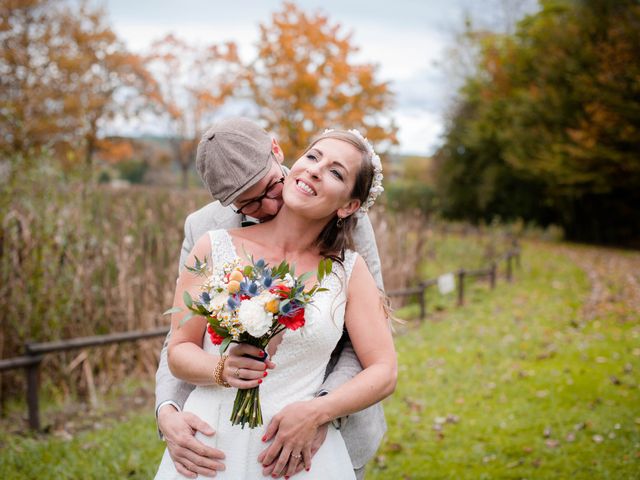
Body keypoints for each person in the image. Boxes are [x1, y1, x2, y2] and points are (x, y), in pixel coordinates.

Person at [155, 118, 388, 479]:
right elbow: (181, 340)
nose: (269, 204)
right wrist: (169, 409)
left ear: (277, 151)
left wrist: (318, 411)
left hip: (313, 441)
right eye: (248, 203)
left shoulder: (350, 250)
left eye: (270, 186)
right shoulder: (210, 237)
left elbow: (372, 349)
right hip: (214, 438)